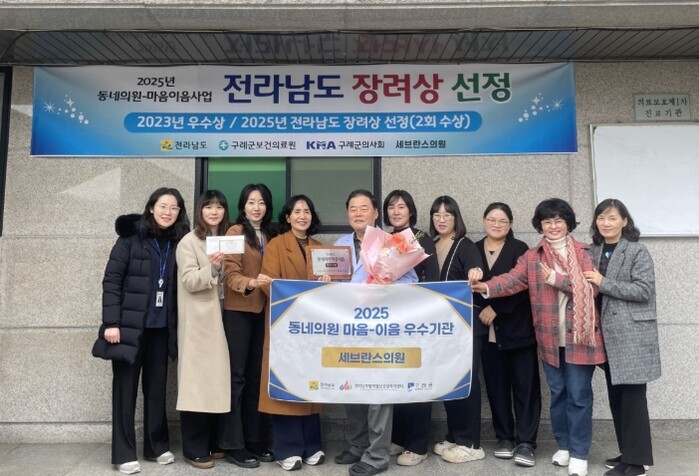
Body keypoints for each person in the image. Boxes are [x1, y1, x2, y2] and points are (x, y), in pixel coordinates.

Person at [471, 198, 605, 476]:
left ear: (568, 223)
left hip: (579, 337)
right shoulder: (533, 257)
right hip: (549, 337)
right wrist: (485, 287)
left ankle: (579, 452)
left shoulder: (584, 252)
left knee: (579, 395)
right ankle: (564, 446)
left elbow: (591, 289)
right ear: (540, 225)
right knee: (558, 394)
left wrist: (557, 279)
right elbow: (512, 279)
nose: (553, 226)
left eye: (558, 221)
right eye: (547, 221)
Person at [93, 187, 189, 475]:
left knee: (157, 390)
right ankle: (123, 454)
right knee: (125, 391)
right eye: (163, 206)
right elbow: (112, 280)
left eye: (174, 208)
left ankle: (156, 446)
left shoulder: (177, 242)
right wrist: (112, 323)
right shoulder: (130, 238)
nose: (168, 212)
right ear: (151, 207)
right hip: (129, 328)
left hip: (161, 329)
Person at [333, 189, 417, 476]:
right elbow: (331, 285)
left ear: (375, 213)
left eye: (364, 208)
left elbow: (412, 283)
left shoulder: (392, 243)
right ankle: (358, 445)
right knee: (352, 388)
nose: (358, 213)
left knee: (378, 391)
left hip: (380, 328)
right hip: (349, 329)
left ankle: (378, 455)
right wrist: (324, 280)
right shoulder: (340, 244)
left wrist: (389, 284)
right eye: (352, 209)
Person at [584, 199, 660, 476]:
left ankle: (637, 463)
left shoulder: (637, 251)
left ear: (624, 222)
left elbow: (643, 290)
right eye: (601, 218)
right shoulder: (593, 250)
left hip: (631, 336)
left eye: (612, 218)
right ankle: (628, 453)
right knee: (617, 397)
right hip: (605, 336)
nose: (606, 223)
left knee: (633, 400)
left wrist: (603, 283)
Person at [259, 194, 327, 471]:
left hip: (313, 328)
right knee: (286, 381)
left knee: (310, 382)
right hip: (286, 325)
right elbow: (268, 283)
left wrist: (329, 282)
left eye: (306, 211)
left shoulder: (320, 248)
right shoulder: (276, 244)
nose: (302, 216)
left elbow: (334, 289)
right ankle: (287, 449)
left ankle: (311, 445)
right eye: (296, 211)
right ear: (287, 217)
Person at [475, 202, 541, 467]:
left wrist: (497, 308)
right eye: (492, 219)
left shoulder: (520, 249)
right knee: (496, 387)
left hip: (518, 331)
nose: (496, 224)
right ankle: (504, 437)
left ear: (510, 224)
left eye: (502, 221)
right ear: (484, 221)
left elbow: (526, 286)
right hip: (486, 334)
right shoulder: (473, 249)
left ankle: (526, 442)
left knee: (525, 387)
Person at [220, 184, 277, 468]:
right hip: (239, 312)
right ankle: (234, 444)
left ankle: (254, 439)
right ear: (243, 205)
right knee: (237, 378)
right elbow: (230, 274)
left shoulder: (270, 234)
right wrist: (251, 283)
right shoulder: (234, 233)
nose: (257, 207)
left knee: (256, 377)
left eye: (262, 202)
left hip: (263, 313)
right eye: (251, 202)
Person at [382, 190, 439, 467]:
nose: (396, 211)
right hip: (392, 320)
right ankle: (399, 437)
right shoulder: (383, 240)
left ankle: (417, 445)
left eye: (401, 207)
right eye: (391, 207)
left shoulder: (420, 237)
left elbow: (432, 278)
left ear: (411, 211)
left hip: (415, 318)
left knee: (416, 379)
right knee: (396, 378)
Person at [428, 195, 486, 465]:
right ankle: (454, 435)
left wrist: (475, 272)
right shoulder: (430, 245)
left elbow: (476, 270)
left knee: (467, 382)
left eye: (447, 215)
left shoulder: (465, 245)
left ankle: (471, 443)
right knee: (449, 380)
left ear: (456, 218)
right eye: (437, 214)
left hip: (465, 328)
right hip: (441, 330)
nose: (441, 219)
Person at [175, 190, 231, 469]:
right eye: (208, 206)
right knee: (196, 382)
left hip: (222, 318)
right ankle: (194, 447)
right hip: (198, 321)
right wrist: (213, 267)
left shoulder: (229, 240)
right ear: (200, 211)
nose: (214, 211)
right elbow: (188, 280)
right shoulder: (189, 241)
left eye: (219, 207)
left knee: (216, 380)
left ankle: (214, 441)